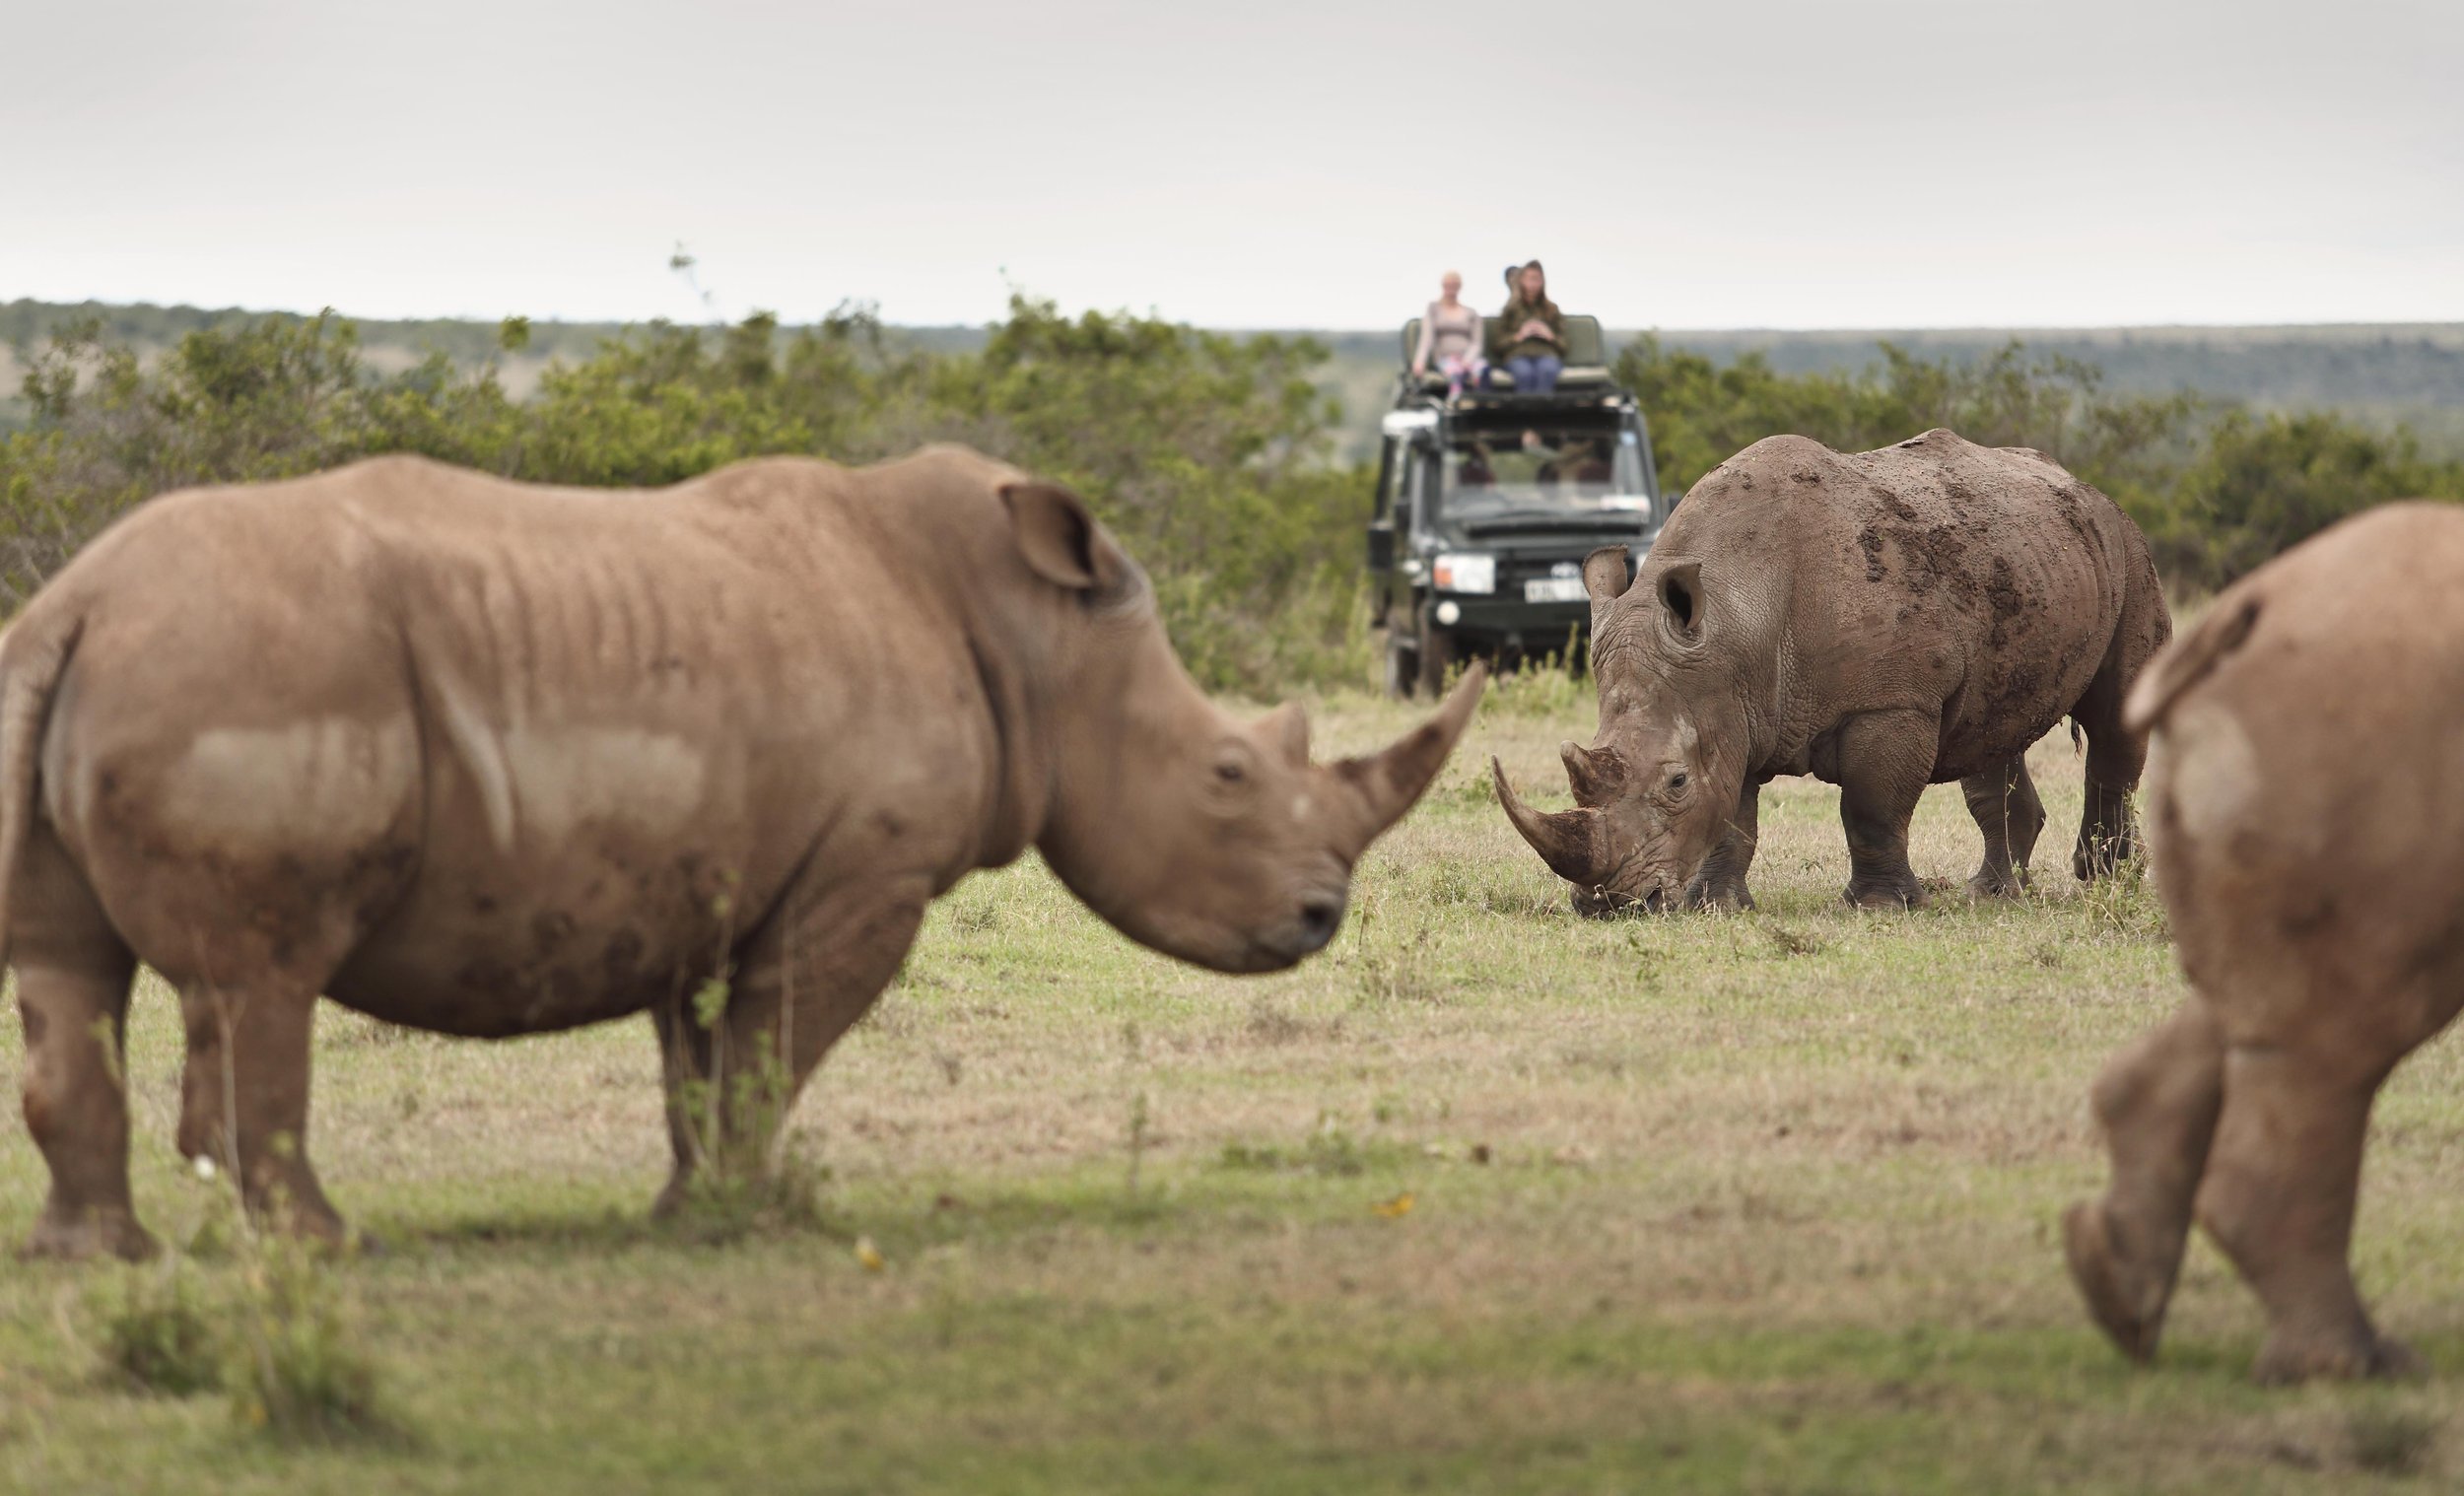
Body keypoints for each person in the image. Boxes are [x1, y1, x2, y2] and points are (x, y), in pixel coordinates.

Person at [1490, 260, 1564, 394]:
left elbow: (1565, 346)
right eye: (1528, 279)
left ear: (1542, 282)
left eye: (1536, 279)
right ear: (1521, 281)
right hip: (1517, 356)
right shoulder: (1510, 309)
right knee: (1524, 373)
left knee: (1546, 370)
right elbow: (1497, 345)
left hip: (1546, 355)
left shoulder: (1552, 309)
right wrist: (1518, 336)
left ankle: (1542, 413)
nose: (1532, 284)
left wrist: (1550, 336)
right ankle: (1524, 414)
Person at [1409, 271, 1484, 398]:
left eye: (1454, 285)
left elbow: (1477, 342)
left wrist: (1467, 360)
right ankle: (1456, 404)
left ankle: (1483, 406)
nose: (1451, 289)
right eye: (1447, 285)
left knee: (1482, 371)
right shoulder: (1433, 308)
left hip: (1469, 359)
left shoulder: (1471, 312)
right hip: (1446, 359)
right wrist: (1419, 361)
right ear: (1442, 286)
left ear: (1459, 287)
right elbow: (1426, 337)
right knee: (1456, 373)